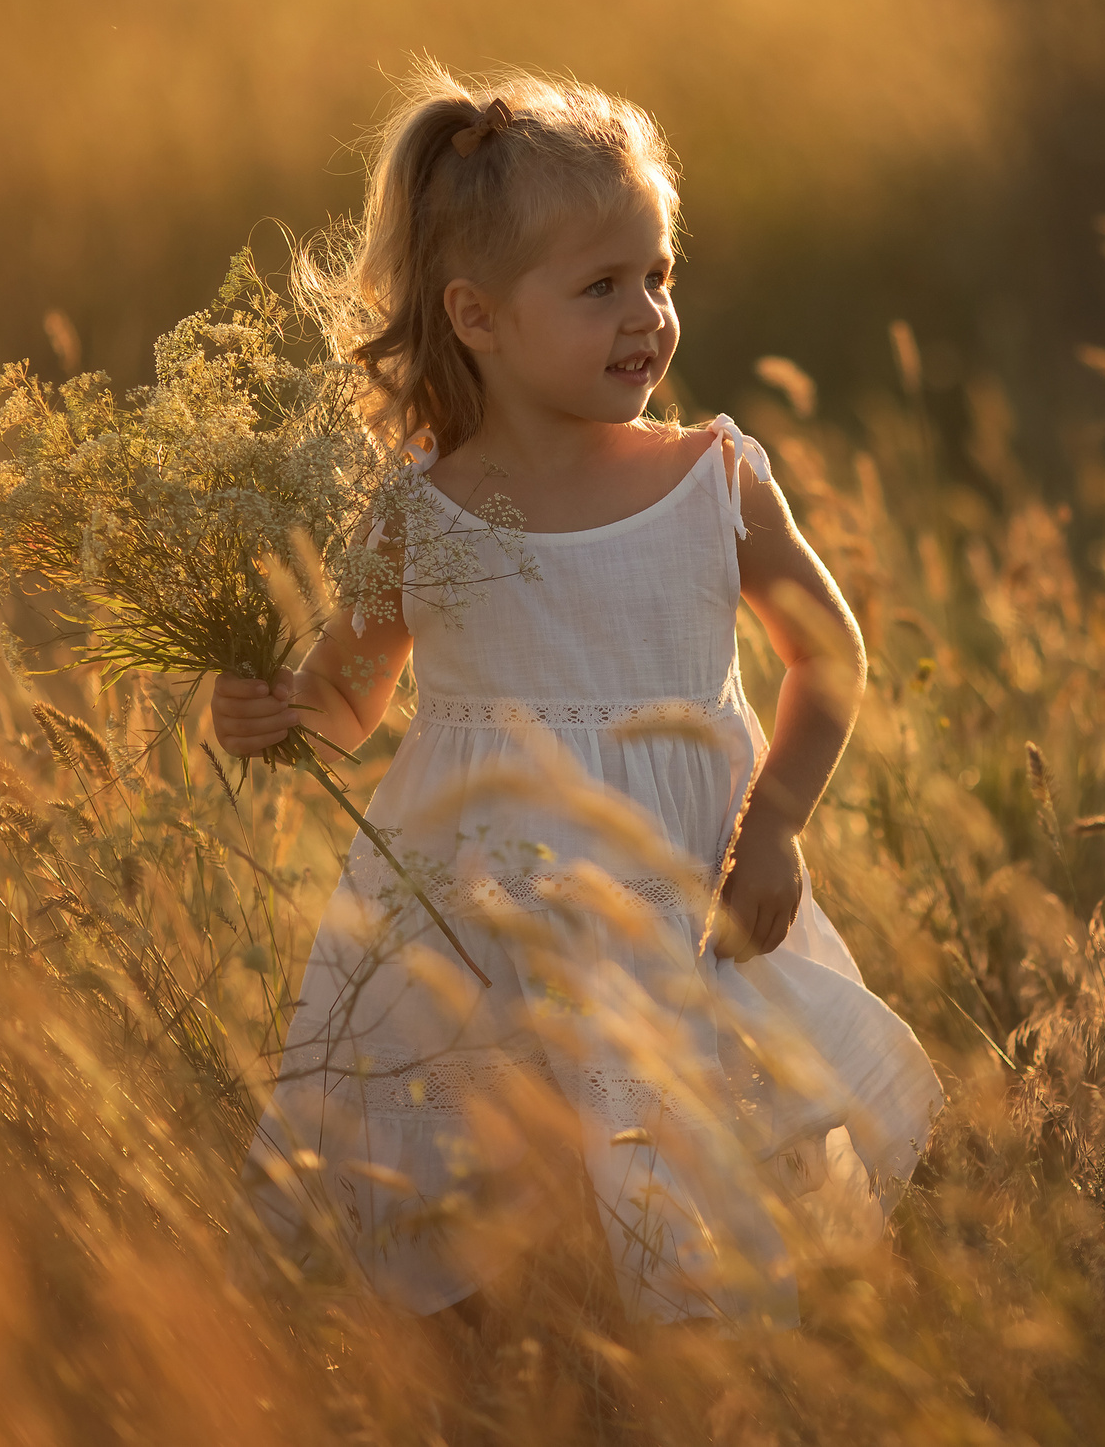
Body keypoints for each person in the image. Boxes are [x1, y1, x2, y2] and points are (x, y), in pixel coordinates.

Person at [213, 66, 941, 1326]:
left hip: (677, 898)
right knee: (477, 1228)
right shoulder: (420, 513)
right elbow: (346, 700)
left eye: (658, 277)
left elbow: (830, 656)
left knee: (681, 1214)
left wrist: (773, 825)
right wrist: (269, 710)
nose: (647, 317)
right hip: (477, 930)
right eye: (601, 287)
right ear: (478, 318)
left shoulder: (712, 479)